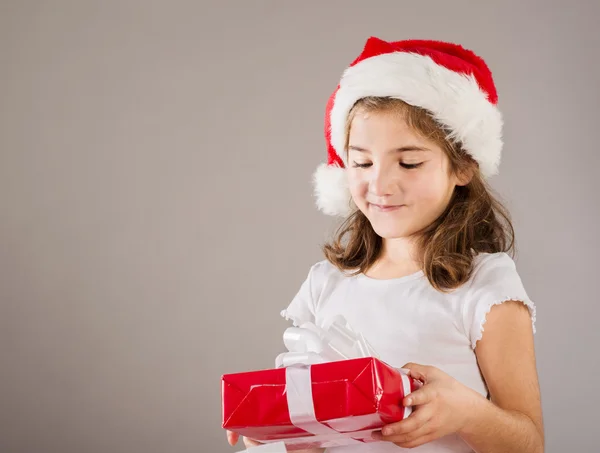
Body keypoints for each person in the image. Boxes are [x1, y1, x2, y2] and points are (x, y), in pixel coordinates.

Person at [228, 37, 544, 452]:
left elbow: (530, 443)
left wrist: (468, 412)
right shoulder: (326, 285)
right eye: (361, 162)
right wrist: (276, 431)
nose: (379, 183)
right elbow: (308, 428)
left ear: (464, 165)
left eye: (409, 162)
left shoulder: (485, 287)